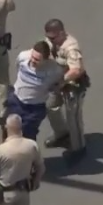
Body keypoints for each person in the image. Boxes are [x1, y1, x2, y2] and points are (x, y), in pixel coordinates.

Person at [42, 19, 88, 163]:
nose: (50, 40)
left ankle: (79, 148)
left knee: (72, 117)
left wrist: (61, 82)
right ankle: (61, 134)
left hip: (71, 85)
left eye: (53, 37)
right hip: (56, 81)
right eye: (48, 37)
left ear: (61, 33)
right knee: (51, 107)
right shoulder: (51, 41)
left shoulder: (71, 47)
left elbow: (76, 70)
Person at [5, 40, 63, 142]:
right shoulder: (23, 57)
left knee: (28, 134)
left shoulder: (53, 70)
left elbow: (57, 83)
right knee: (10, 130)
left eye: (37, 59)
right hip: (16, 100)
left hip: (34, 108)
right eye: (32, 56)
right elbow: (17, 67)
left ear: (45, 60)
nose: (32, 61)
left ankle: (29, 156)